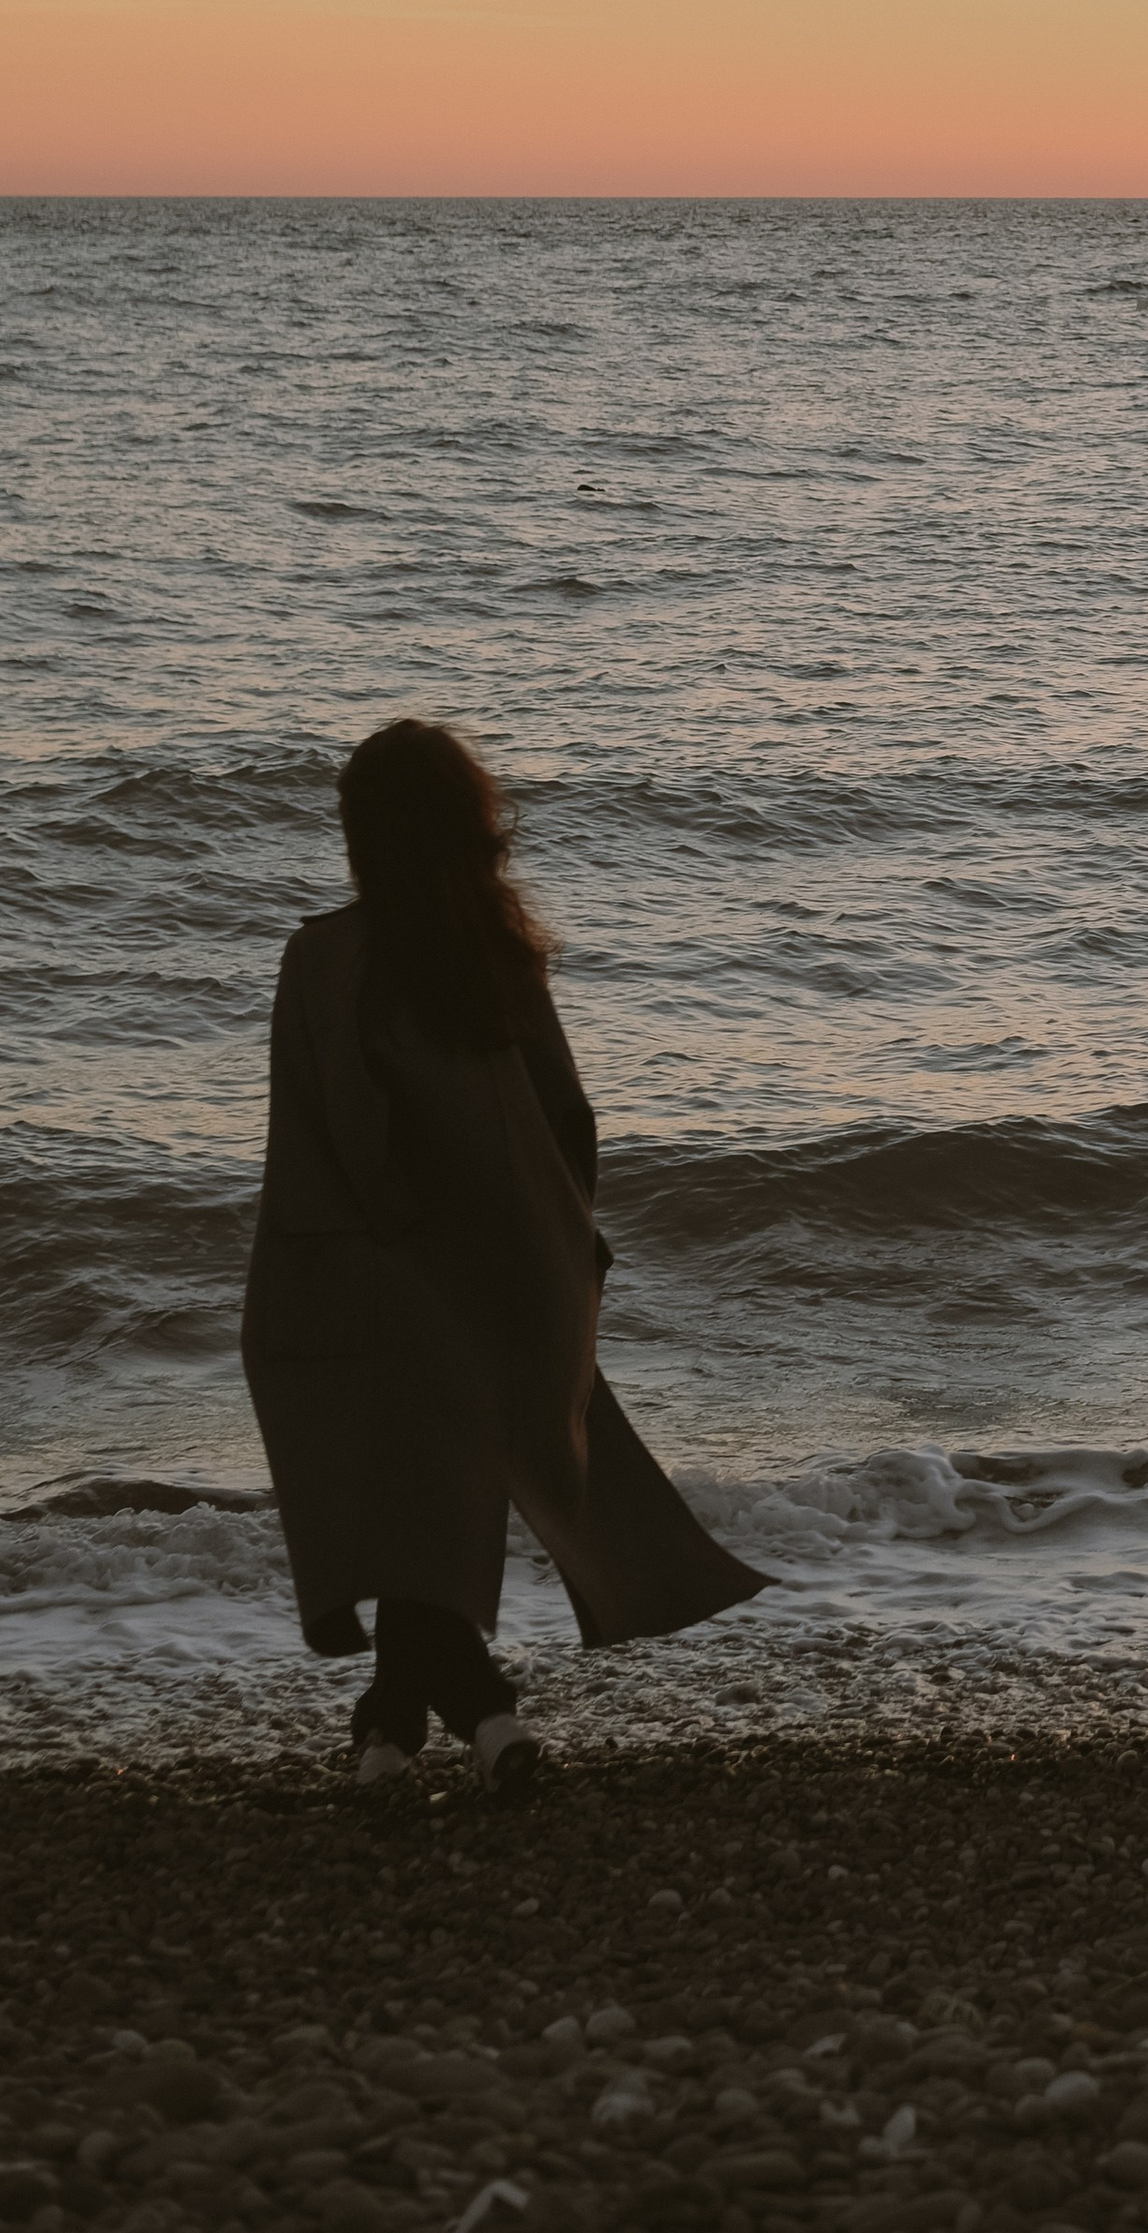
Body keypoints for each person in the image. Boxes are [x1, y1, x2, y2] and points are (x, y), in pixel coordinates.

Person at [242, 718, 768, 1787]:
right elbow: (567, 1124)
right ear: (469, 831)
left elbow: (327, 1140)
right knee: (426, 1514)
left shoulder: (324, 960)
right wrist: (565, 1261)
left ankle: (485, 1715)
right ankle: (398, 1731)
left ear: (360, 836)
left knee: (404, 1503)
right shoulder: (499, 958)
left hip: (379, 1282)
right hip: (524, 1280)